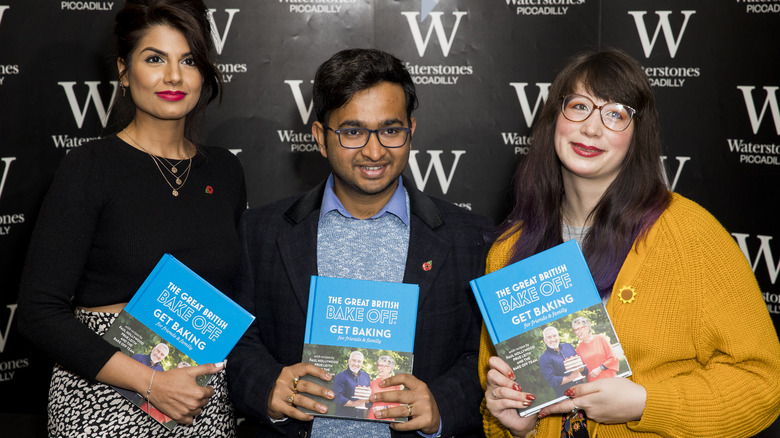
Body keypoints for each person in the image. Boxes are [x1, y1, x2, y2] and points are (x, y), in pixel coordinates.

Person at [479, 49, 780, 438]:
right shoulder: (508, 250)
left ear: (638, 133)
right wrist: (516, 427)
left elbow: (764, 382)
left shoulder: (692, 236)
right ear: (555, 116)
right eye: (580, 107)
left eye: (615, 114)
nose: (591, 128)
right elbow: (494, 405)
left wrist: (645, 403)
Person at [227, 48, 490, 438]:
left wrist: (441, 405)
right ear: (320, 137)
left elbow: (484, 355)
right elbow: (238, 340)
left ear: (411, 131)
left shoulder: (471, 237)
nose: (374, 150)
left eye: (390, 129)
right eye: (352, 131)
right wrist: (268, 387)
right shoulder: (259, 231)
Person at [17, 0, 246, 436]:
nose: (174, 76)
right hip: (104, 397)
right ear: (124, 70)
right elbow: (37, 311)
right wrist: (152, 382)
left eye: (189, 60)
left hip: (200, 403)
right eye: (154, 58)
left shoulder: (225, 171)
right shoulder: (91, 167)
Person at [538, 327, 583, 398]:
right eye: (549, 337)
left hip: (582, 388)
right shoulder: (544, 358)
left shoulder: (568, 346)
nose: (553, 339)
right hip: (566, 396)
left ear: (558, 336)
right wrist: (570, 377)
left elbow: (582, 367)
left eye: (554, 336)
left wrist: (581, 367)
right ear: (545, 340)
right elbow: (552, 380)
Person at [570, 316, 618, 382]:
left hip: (610, 379)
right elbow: (583, 371)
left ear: (587, 328)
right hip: (594, 384)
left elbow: (613, 358)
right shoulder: (578, 349)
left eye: (579, 328)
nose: (577, 332)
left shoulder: (601, 338)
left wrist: (600, 368)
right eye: (575, 330)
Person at [333, 351, 372, 418]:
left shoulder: (366, 376)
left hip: (360, 417)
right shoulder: (341, 376)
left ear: (362, 363)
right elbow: (337, 397)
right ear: (349, 361)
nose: (356, 364)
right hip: (343, 417)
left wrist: (368, 401)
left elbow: (369, 397)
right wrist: (354, 403)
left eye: (359, 361)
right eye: (354, 360)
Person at [367, 356, 403, 421]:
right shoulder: (373, 383)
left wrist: (384, 408)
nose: (379, 368)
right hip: (371, 418)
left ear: (389, 368)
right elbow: (368, 401)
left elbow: (398, 406)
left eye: (382, 366)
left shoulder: (396, 385)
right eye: (378, 365)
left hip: (387, 420)